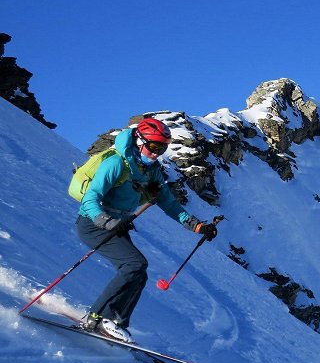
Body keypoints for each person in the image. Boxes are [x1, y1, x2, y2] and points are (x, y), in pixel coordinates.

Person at [76, 118, 218, 342]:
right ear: (140, 142)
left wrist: (198, 226)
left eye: (162, 148)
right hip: (94, 224)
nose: (156, 153)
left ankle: (115, 322)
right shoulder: (116, 164)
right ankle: (96, 317)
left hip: (117, 225)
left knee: (139, 272)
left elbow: (169, 204)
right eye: (153, 147)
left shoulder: (151, 172)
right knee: (134, 264)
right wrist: (107, 221)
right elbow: (89, 200)